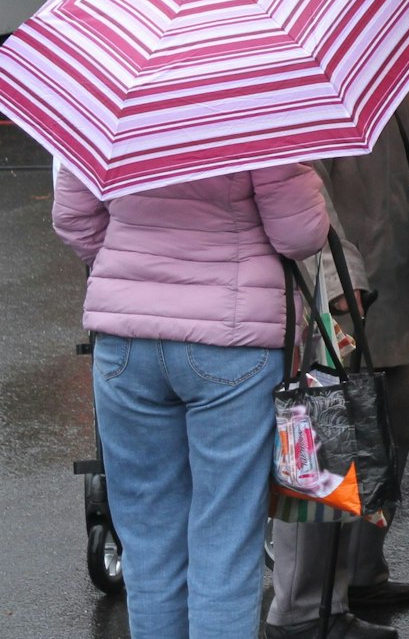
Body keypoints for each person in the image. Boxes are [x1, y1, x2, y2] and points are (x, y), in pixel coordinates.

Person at [262, 0, 409, 639]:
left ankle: (363, 574)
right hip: (335, 291)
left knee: (390, 438)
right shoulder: (316, 51)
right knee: (327, 451)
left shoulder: (401, 46)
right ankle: (306, 608)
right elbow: (296, 194)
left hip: (397, 278)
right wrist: (331, 277)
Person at [52, 163, 330, 639]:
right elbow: (299, 234)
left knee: (148, 545)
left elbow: (74, 217)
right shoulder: (255, 100)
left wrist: (132, 268)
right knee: (225, 540)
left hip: (125, 339)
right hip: (232, 338)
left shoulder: (117, 98)